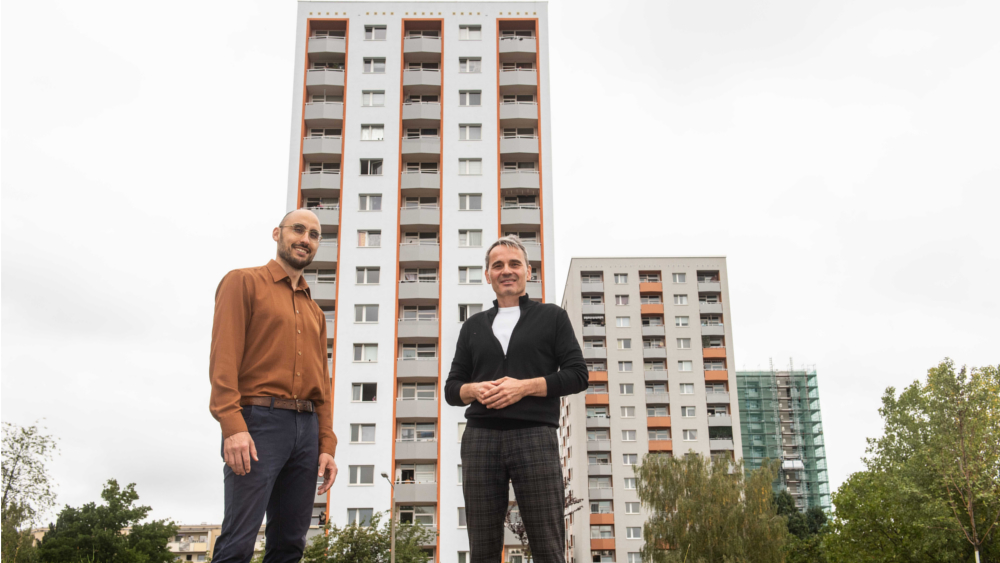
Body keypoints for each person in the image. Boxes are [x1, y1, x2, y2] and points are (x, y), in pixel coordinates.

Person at [445, 235, 588, 563]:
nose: (506, 270)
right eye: (497, 265)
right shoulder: (472, 327)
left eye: (514, 264)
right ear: (488, 275)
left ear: (528, 271)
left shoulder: (552, 317)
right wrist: (474, 390)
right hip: (480, 439)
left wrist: (524, 387)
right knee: (482, 547)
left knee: (547, 543)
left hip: (535, 436)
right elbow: (453, 388)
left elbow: (578, 375)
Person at [208, 209, 338, 562]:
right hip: (257, 424)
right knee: (238, 541)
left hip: (307, 430)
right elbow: (223, 362)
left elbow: (322, 385)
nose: (305, 239)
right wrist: (232, 427)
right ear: (277, 234)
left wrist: (326, 443)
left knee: (290, 544)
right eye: (298, 230)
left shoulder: (314, 311)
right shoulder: (242, 282)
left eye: (314, 235)